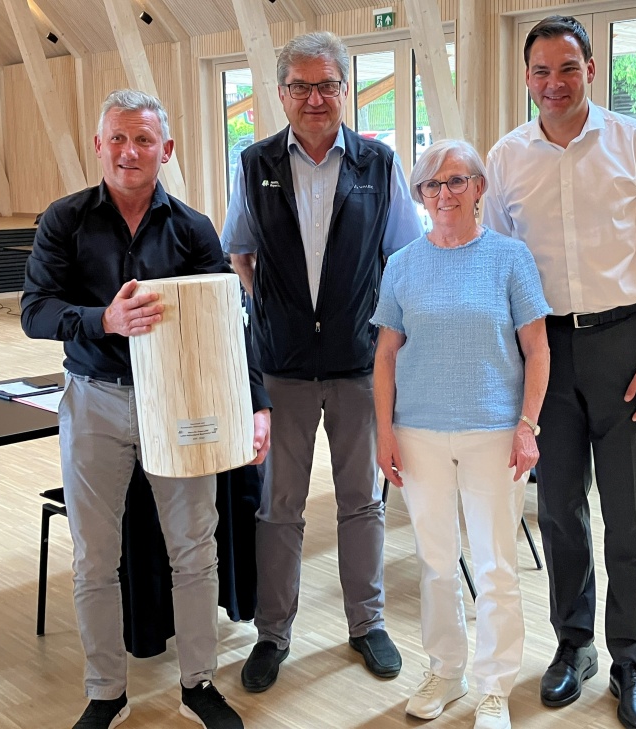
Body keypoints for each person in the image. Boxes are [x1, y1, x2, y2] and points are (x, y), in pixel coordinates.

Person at [21, 89, 271, 729]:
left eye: (143, 139)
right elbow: (35, 312)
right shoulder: (63, 220)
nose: (129, 151)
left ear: (167, 149)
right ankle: (106, 692)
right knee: (94, 558)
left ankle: (198, 685)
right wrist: (102, 319)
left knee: (195, 550)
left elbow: (228, 324)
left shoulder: (193, 228)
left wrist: (257, 405)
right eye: (117, 138)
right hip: (94, 401)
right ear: (99, 145)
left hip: (180, 403)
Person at [484, 15, 636, 729]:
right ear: (526, 77)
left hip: (625, 347)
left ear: (592, 70)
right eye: (541, 71)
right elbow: (501, 271)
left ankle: (631, 659)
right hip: (545, 353)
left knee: (629, 517)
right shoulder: (506, 158)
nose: (554, 83)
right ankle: (574, 645)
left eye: (567, 68)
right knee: (558, 510)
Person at [221, 30, 423, 692]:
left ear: (345, 89)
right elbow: (240, 253)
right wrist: (276, 310)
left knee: (362, 501)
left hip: (358, 364)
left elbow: (403, 259)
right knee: (279, 506)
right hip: (281, 368)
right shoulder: (253, 164)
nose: (315, 98)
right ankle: (272, 633)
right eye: (301, 86)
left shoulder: (378, 164)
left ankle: (367, 623)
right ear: (281, 93)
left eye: (327, 85)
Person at [372, 139, 551, 729]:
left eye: (455, 180)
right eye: (431, 184)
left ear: (479, 187)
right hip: (417, 433)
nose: (443, 193)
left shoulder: (509, 258)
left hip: (494, 433)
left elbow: (537, 349)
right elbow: (385, 356)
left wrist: (527, 425)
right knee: (436, 562)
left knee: (496, 565)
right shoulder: (402, 264)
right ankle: (446, 671)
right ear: (420, 196)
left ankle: (494, 686)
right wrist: (384, 432)